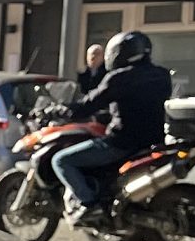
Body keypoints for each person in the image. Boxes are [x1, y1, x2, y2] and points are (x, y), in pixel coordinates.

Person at [53, 30, 173, 229]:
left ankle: (89, 204)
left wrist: (63, 111)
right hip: (153, 142)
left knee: (61, 160)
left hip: (122, 142)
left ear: (120, 53)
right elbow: (140, 104)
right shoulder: (161, 75)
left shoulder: (119, 77)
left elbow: (90, 103)